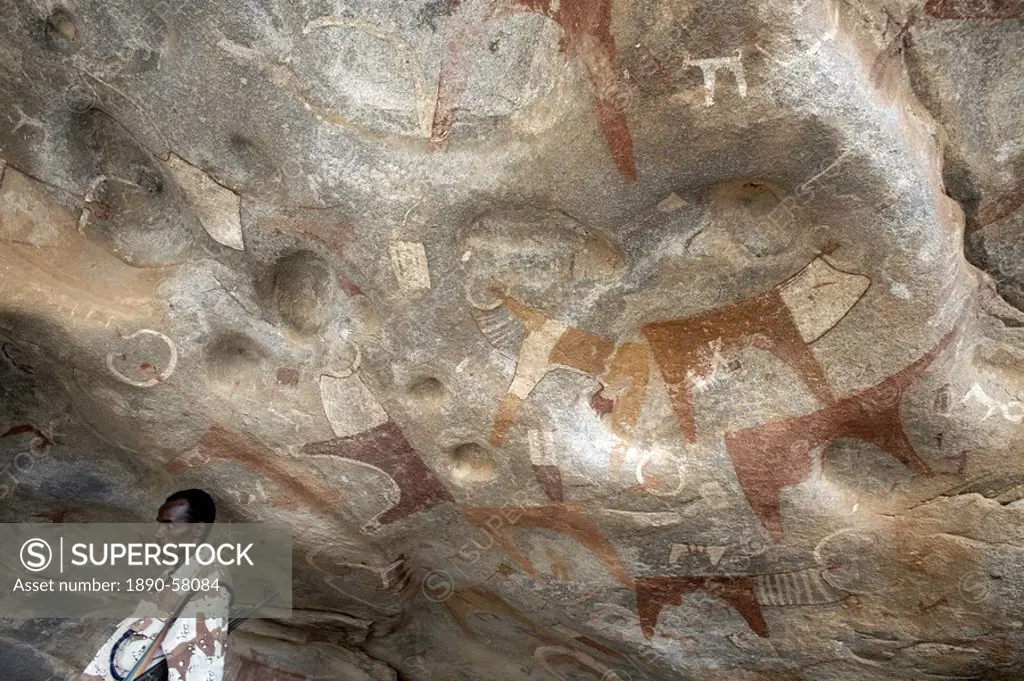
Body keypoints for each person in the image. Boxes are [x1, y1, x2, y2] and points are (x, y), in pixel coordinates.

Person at [79, 489, 232, 681]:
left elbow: (197, 668)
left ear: (198, 529)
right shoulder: (172, 573)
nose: (159, 534)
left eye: (169, 526)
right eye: (159, 524)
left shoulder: (209, 581)